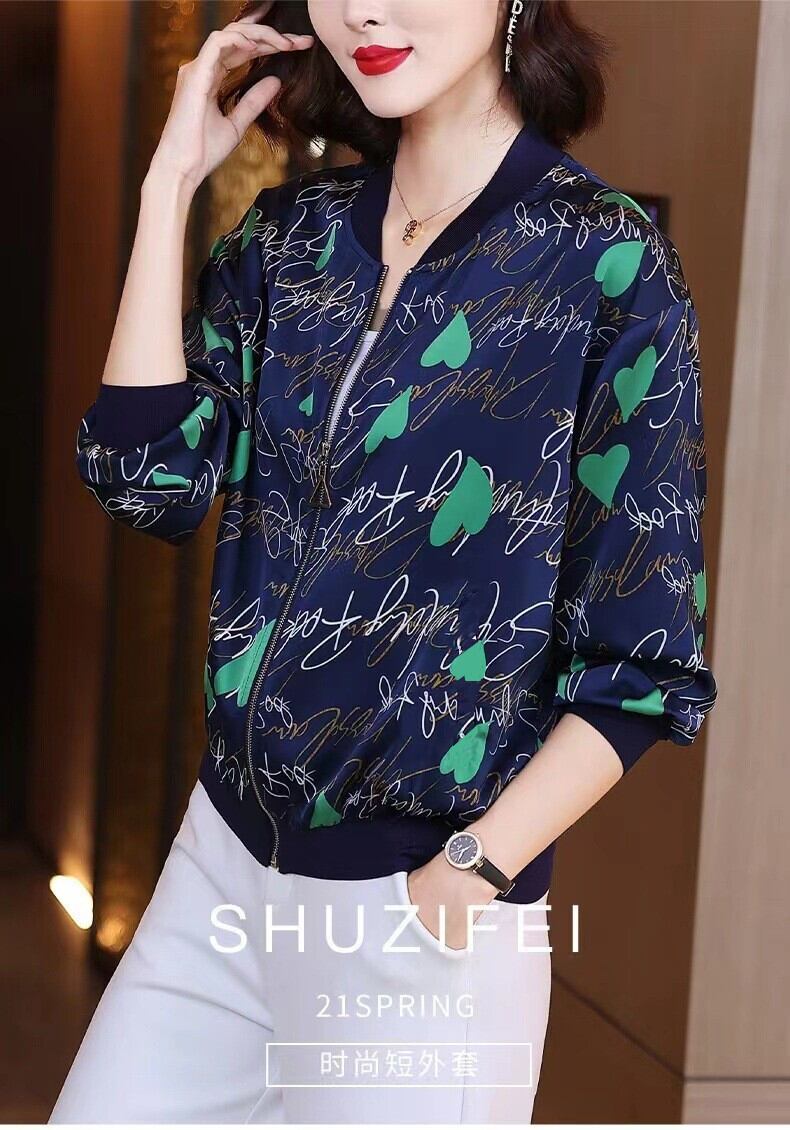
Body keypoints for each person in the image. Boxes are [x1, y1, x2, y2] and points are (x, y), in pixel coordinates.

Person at [51, 0, 718, 1123]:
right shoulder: (288, 238)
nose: (364, 6)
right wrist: (170, 186)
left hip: (415, 914)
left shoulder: (605, 262)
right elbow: (147, 480)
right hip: (222, 863)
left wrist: (465, 875)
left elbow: (646, 662)